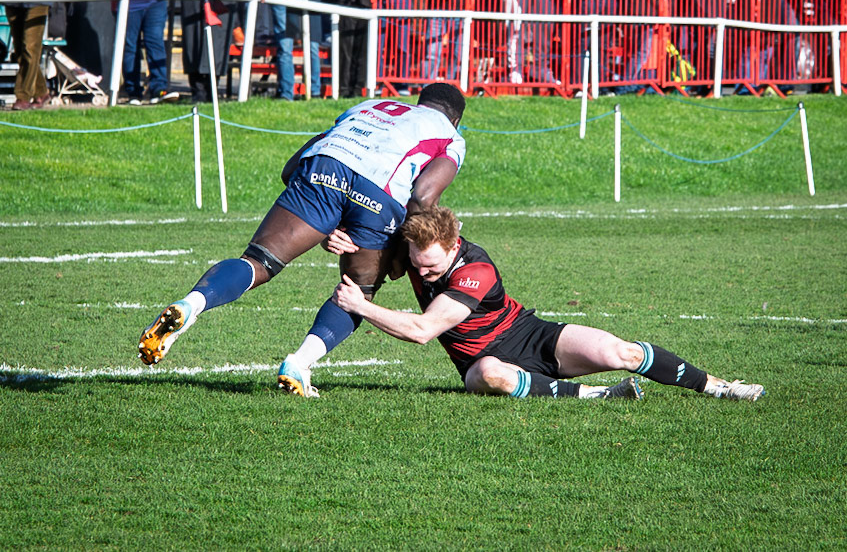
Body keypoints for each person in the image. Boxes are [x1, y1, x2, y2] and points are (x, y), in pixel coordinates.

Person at [138, 84, 467, 399]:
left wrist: (326, 220)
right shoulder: (450, 136)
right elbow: (423, 196)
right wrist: (402, 248)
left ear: (418, 100)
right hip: (378, 194)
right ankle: (298, 363)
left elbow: (290, 168)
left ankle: (190, 305)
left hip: (323, 168)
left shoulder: (369, 106)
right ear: (455, 119)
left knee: (257, 262)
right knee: (357, 293)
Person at [332, 206, 766, 402]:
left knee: (623, 352)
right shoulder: (416, 254)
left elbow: (423, 331)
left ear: (453, 246)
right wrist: (348, 245)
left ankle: (719, 386)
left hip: (532, 336)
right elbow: (382, 259)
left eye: (429, 267)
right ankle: (596, 396)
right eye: (415, 265)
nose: (420, 273)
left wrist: (361, 305)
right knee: (490, 375)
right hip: (481, 361)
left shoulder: (475, 270)